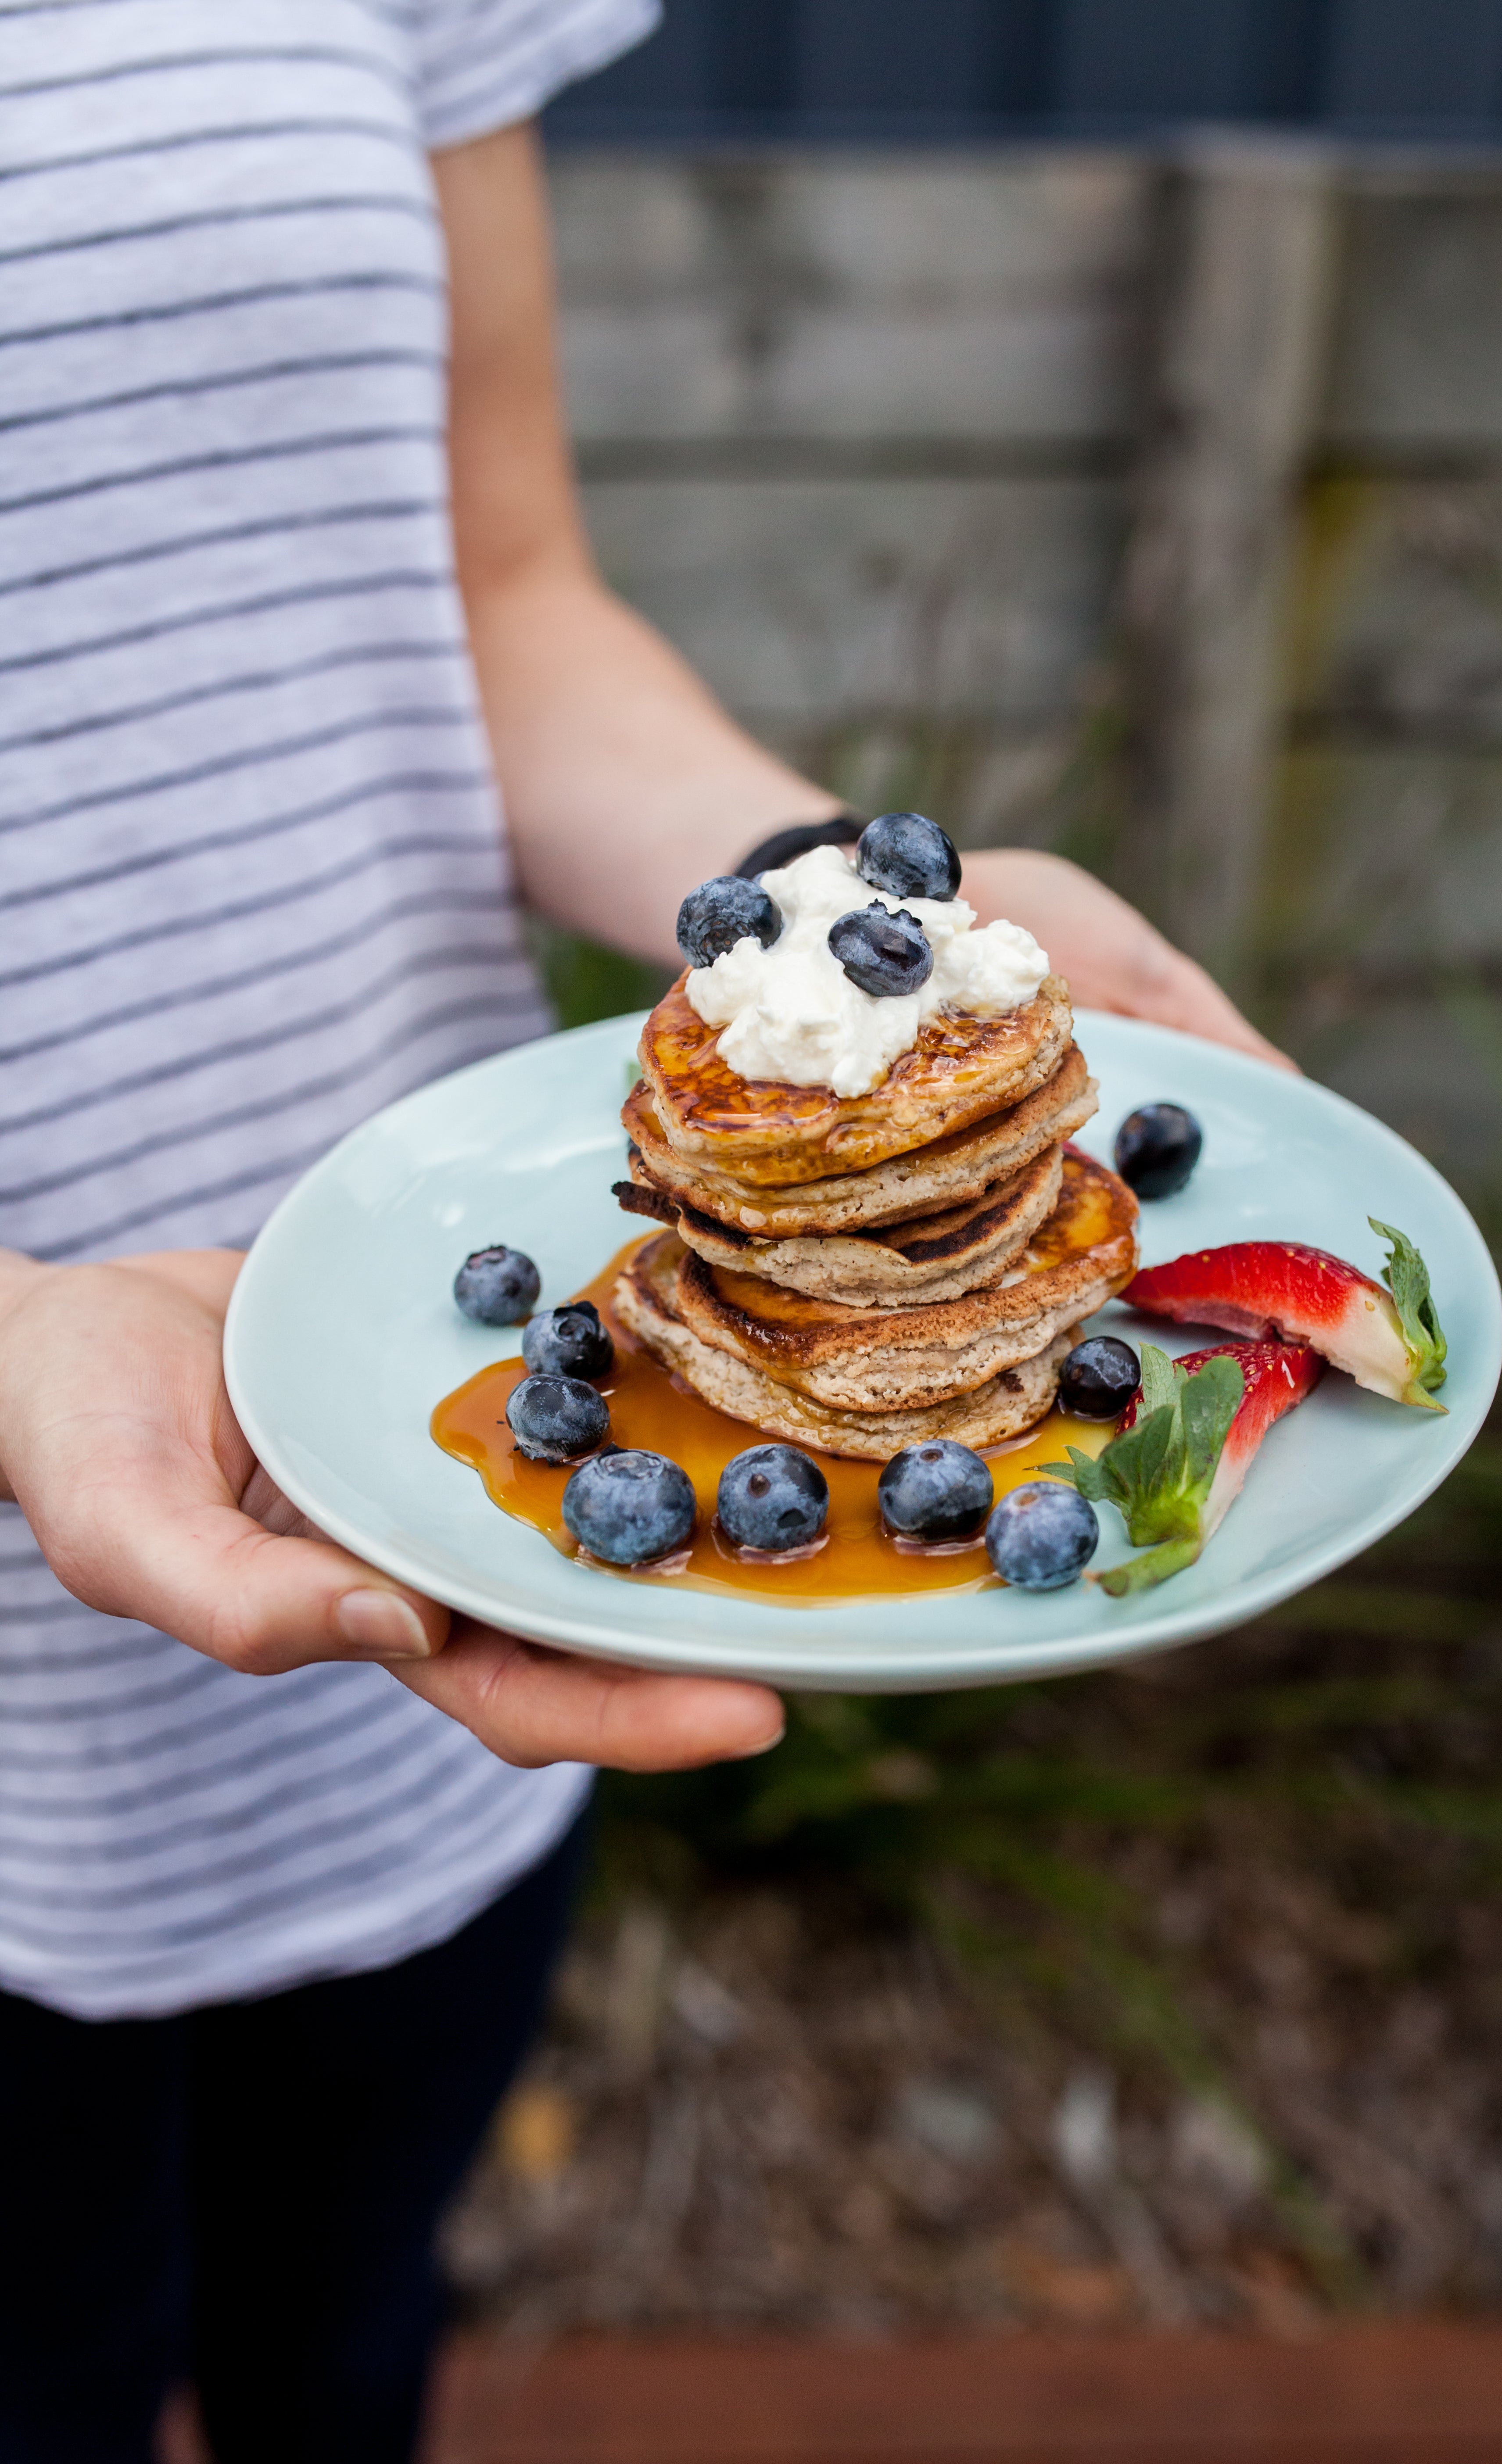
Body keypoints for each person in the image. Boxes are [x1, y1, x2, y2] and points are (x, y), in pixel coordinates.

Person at [0, 7, 1285, 2458]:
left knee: (351, 2341)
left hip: (471, 1483)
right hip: (44, 1562)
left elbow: (501, 596)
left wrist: (848, 939)